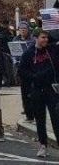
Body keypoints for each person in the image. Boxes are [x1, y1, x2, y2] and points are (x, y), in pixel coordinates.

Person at [18, 29, 59, 158]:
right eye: (42, 37)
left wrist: (47, 34)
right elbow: (21, 71)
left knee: (56, 119)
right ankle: (43, 146)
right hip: (37, 90)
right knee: (40, 120)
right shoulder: (28, 53)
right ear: (35, 38)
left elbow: (55, 39)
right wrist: (34, 77)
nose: (46, 40)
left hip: (52, 90)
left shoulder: (52, 49)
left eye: (47, 37)